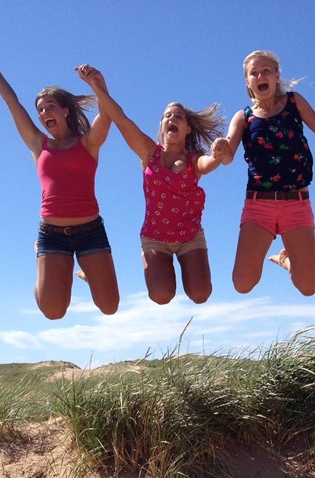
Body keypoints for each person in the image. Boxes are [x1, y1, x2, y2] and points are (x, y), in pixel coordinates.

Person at [0, 49, 119, 320]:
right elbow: (11, 101)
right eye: (40, 109)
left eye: (50, 106)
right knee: (53, 312)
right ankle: (44, 260)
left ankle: (83, 269)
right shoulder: (38, 144)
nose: (43, 112)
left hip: (91, 231)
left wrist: (98, 84)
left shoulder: (87, 143)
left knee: (110, 307)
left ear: (64, 110)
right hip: (51, 233)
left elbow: (107, 115)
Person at [76, 65, 226, 305]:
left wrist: (218, 155)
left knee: (200, 294)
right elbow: (120, 119)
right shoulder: (148, 152)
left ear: (187, 129)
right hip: (155, 237)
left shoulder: (193, 159)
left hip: (190, 235)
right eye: (167, 115)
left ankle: (198, 275)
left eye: (178, 116)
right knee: (161, 295)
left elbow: (208, 163)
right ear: (162, 126)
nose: (172, 118)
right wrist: (97, 84)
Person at [217, 50, 315, 296]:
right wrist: (221, 147)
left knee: (308, 288)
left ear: (276, 76)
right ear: (248, 82)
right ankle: (277, 254)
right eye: (254, 73)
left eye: (266, 71)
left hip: (297, 203)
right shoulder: (243, 117)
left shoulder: (294, 102)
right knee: (242, 284)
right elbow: (228, 153)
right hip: (258, 205)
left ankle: (285, 260)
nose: (260, 75)